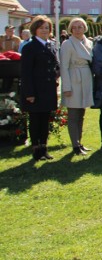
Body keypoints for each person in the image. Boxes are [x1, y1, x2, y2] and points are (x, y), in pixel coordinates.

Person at [20, 16, 59, 161]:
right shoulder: (30, 47)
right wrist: (29, 93)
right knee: (35, 120)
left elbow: (54, 64)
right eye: (42, 28)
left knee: (45, 120)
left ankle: (44, 148)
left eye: (47, 28)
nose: (45, 30)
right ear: (35, 29)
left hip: (48, 89)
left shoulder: (51, 45)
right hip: (35, 90)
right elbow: (26, 72)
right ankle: (36, 150)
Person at [59, 17, 94, 156]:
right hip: (74, 79)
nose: (78, 29)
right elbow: (64, 66)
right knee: (73, 114)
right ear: (71, 29)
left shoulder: (89, 42)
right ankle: (75, 145)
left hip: (85, 78)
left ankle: (79, 142)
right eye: (75, 27)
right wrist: (66, 87)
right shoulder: (68, 44)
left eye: (80, 27)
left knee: (81, 114)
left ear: (85, 28)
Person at [1, 24, 22, 91]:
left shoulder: (17, 39)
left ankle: (10, 89)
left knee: (11, 74)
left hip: (13, 59)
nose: (11, 32)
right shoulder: (1, 38)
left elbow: (18, 49)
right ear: (6, 31)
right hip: (3, 59)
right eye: (9, 31)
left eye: (13, 31)